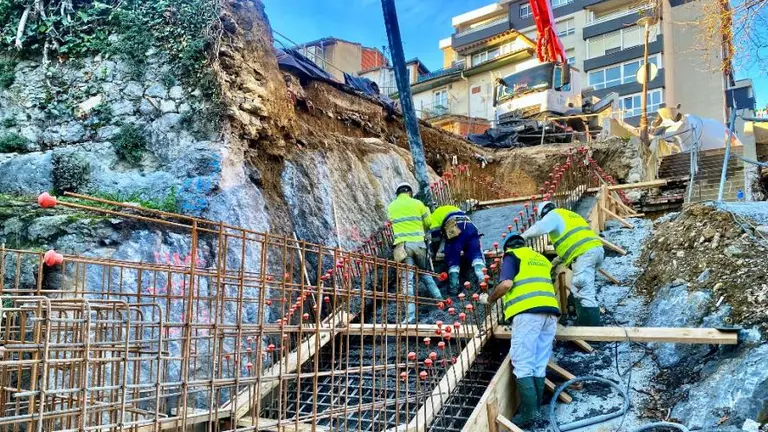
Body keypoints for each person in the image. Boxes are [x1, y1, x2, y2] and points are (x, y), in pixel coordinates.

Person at [479, 232, 560, 426]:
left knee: (522, 363)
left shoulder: (512, 256)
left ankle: (529, 415)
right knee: (539, 362)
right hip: (550, 313)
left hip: (528, 314)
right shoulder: (540, 259)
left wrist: (490, 299)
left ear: (507, 248)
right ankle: (536, 410)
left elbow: (506, 284)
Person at [521, 201, 604, 326]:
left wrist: (522, 237)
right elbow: (571, 241)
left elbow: (539, 228)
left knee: (583, 291)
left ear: (543, 214)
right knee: (579, 288)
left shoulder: (552, 215)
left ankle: (591, 330)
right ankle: (581, 318)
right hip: (596, 251)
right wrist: (554, 263)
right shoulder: (569, 214)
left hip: (584, 255)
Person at [387, 182, 443, 323]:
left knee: (407, 282)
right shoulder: (418, 203)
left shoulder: (391, 206)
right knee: (425, 274)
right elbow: (429, 223)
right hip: (419, 245)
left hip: (402, 247)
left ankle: (410, 317)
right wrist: (426, 211)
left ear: (397, 194)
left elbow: (392, 222)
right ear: (410, 192)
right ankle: (440, 300)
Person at [429, 205, 486, 296]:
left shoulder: (434, 215)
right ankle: (483, 280)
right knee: (476, 255)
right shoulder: (452, 208)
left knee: (453, 258)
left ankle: (454, 288)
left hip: (455, 228)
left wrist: (434, 253)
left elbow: (436, 237)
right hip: (470, 226)